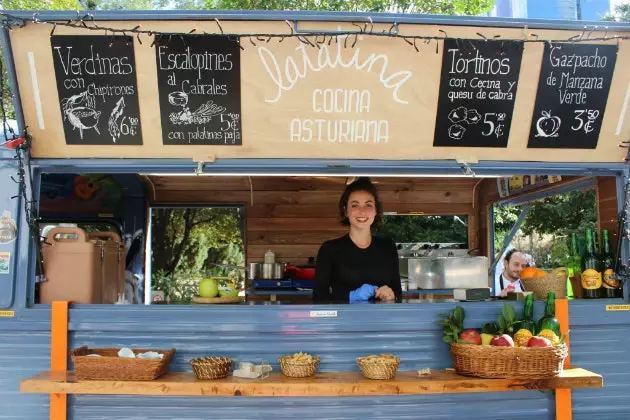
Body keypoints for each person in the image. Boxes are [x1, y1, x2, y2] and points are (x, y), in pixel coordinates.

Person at [313, 177, 402, 303]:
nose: (362, 211)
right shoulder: (330, 249)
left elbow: (398, 294)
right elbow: (319, 298)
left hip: (381, 321)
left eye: (368, 205)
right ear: (345, 211)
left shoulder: (388, 247)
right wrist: (351, 296)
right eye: (355, 205)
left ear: (376, 210)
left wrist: (392, 296)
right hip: (343, 321)